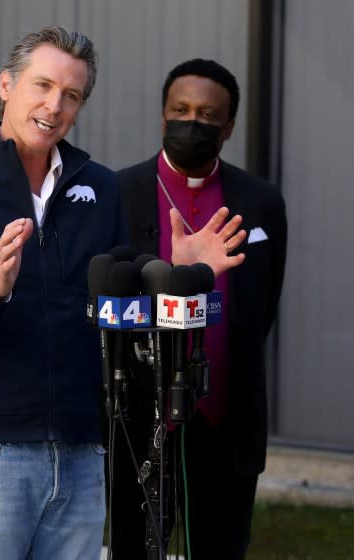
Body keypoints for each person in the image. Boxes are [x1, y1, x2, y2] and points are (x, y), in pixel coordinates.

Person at [0, 27, 246, 559]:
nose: (54, 105)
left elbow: (116, 319)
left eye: (71, 95)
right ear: (5, 86)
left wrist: (175, 274)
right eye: (42, 85)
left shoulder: (101, 187)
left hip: (84, 453)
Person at [110, 59, 287, 559]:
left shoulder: (261, 199)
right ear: (162, 115)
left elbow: (263, 304)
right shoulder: (117, 192)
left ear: (229, 125)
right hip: (141, 421)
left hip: (226, 419)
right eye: (181, 109)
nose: (194, 122)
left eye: (209, 115)